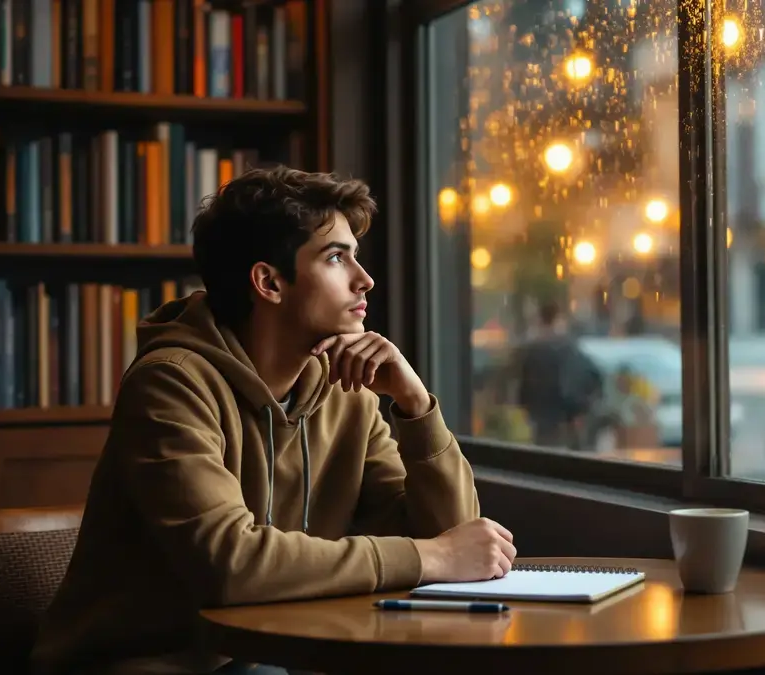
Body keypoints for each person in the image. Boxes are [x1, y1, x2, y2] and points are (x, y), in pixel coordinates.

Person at [31, 168, 516, 675]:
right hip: (152, 662)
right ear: (268, 282)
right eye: (335, 257)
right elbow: (231, 565)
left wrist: (415, 407)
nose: (364, 278)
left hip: (284, 652)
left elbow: (455, 542)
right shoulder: (170, 384)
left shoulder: (345, 392)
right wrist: (432, 557)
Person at [514, 302, 602, 449]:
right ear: (558, 319)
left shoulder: (532, 350)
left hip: (541, 420)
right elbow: (590, 378)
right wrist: (579, 409)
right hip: (563, 421)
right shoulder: (568, 349)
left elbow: (524, 389)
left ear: (540, 320)